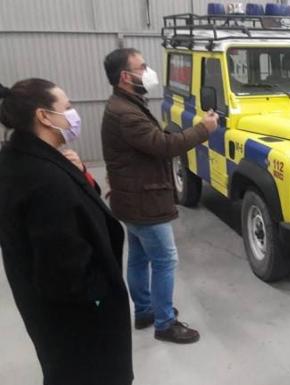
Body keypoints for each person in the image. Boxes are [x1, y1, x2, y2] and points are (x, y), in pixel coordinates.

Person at [0, 79, 133, 385]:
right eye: (68, 108)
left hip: (52, 319)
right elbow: (66, 272)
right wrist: (100, 297)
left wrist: (77, 172)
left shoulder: (24, 157)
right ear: (44, 117)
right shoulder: (44, 181)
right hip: (80, 326)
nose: (74, 115)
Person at [101, 48, 218, 343]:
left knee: (139, 257)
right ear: (126, 77)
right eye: (143, 67)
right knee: (165, 260)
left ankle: (144, 310)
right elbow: (164, 146)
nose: (149, 71)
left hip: (132, 198)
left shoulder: (124, 104)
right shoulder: (126, 113)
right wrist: (203, 129)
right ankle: (165, 323)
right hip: (143, 200)